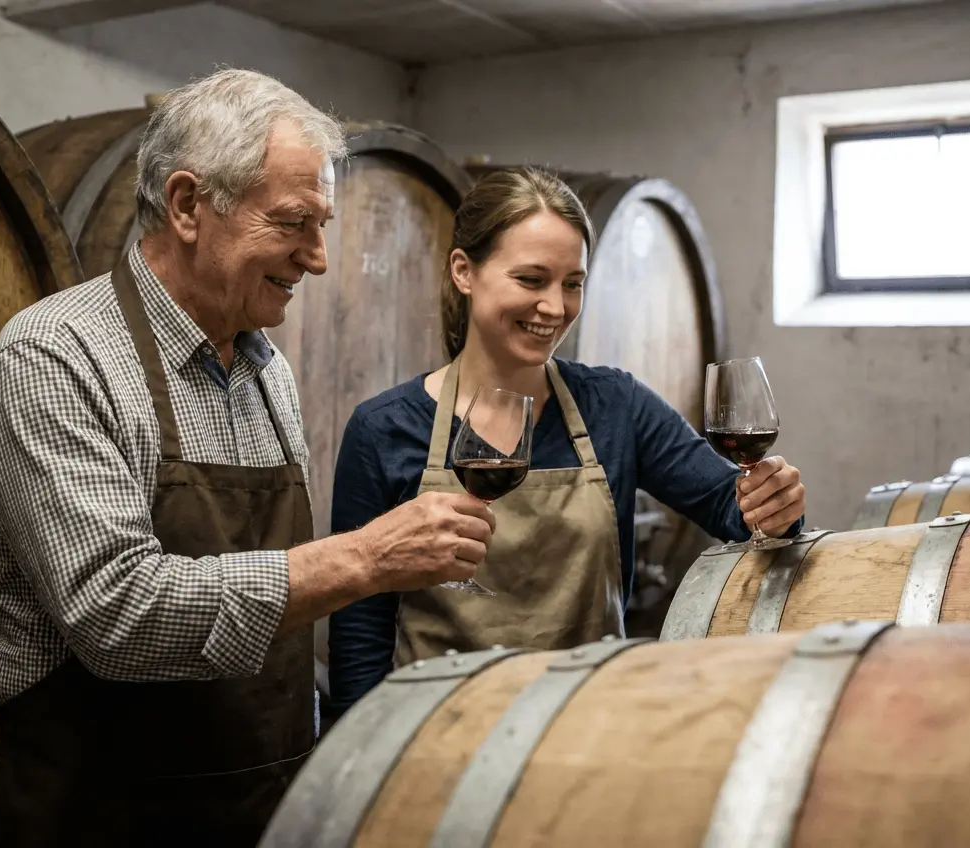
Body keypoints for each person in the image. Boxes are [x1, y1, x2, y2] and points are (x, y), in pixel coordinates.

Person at [0, 68, 495, 848]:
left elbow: (278, 614)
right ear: (187, 205)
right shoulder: (55, 356)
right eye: (293, 223)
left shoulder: (266, 369)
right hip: (104, 816)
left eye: (323, 224)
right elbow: (117, 613)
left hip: (262, 807)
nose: (317, 258)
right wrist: (363, 558)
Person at [327, 167, 806, 714]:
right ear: (464, 271)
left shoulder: (614, 405)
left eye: (572, 283)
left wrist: (776, 504)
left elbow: (732, 507)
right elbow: (359, 643)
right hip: (437, 737)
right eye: (531, 280)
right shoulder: (384, 429)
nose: (555, 308)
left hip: (584, 730)